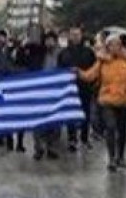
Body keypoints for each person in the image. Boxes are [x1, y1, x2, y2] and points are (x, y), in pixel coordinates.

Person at [79, 35, 126, 172]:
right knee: (110, 127)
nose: (114, 47)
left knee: (122, 130)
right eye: (111, 45)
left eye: (117, 45)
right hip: (107, 99)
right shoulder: (102, 61)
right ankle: (111, 158)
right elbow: (90, 75)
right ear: (107, 47)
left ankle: (121, 156)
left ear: (121, 46)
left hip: (124, 100)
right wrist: (78, 73)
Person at [59, 27, 98, 152]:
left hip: (85, 87)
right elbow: (59, 70)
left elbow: (94, 68)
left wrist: (92, 83)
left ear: (81, 36)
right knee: (70, 114)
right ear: (69, 36)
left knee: (85, 114)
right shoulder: (64, 53)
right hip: (69, 89)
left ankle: (84, 138)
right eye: (73, 35)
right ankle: (72, 139)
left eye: (77, 34)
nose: (75, 37)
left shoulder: (89, 52)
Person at [31, 30, 65, 160]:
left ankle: (51, 146)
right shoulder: (39, 54)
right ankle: (38, 147)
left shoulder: (61, 54)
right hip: (40, 91)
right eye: (47, 40)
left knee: (55, 122)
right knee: (38, 121)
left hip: (56, 92)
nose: (49, 42)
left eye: (51, 40)